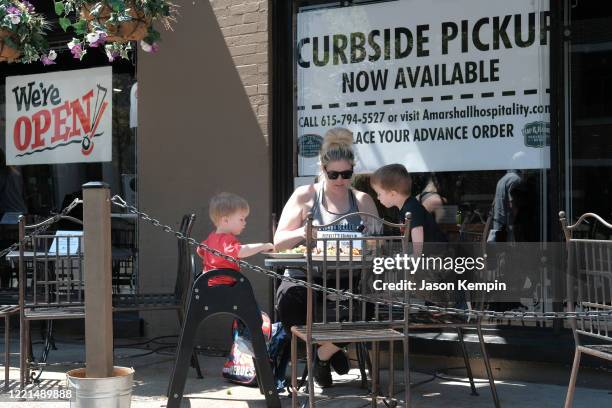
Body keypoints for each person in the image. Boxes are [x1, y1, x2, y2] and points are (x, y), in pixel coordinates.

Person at [273, 127, 379, 388]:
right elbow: (278, 242)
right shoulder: (306, 196)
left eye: (347, 174)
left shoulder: (362, 200)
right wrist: (303, 232)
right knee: (289, 300)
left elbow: (378, 243)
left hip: (347, 278)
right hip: (307, 278)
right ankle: (330, 351)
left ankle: (322, 355)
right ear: (322, 169)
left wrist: (368, 242)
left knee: (367, 307)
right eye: (334, 174)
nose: (341, 180)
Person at [197, 192, 274, 286]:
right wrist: (263, 246)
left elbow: (199, 250)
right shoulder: (226, 239)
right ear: (225, 220)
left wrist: (214, 260)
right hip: (225, 286)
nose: (245, 223)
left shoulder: (211, 237)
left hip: (209, 284)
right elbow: (241, 251)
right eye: (241, 219)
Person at [370, 164, 447, 258]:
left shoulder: (412, 207)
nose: (378, 198)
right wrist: (405, 253)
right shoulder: (403, 208)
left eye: (379, 193)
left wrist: (416, 255)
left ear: (392, 194)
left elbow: (417, 230)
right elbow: (405, 235)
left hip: (437, 255)